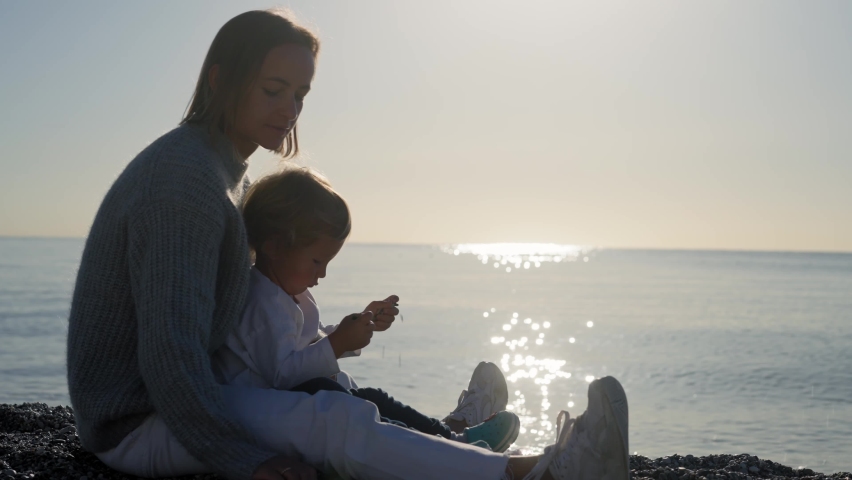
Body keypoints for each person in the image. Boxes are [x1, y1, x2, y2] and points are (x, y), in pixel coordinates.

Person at [66, 8, 630, 480]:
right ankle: (532, 473)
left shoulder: (218, 169)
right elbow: (170, 357)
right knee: (330, 419)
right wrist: (246, 460)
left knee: (339, 395)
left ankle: (462, 440)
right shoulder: (184, 183)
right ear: (220, 80)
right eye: (272, 89)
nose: (289, 109)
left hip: (185, 399)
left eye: (300, 94)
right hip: (141, 420)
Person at [209, 166, 521, 452]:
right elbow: (281, 375)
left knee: (373, 397)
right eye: (317, 261)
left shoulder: (287, 291)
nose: (323, 274)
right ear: (274, 247)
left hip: (304, 406)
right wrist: (338, 342)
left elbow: (304, 348)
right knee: (358, 406)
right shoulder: (260, 303)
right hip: (275, 417)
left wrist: (356, 325)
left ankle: (451, 438)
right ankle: (446, 447)